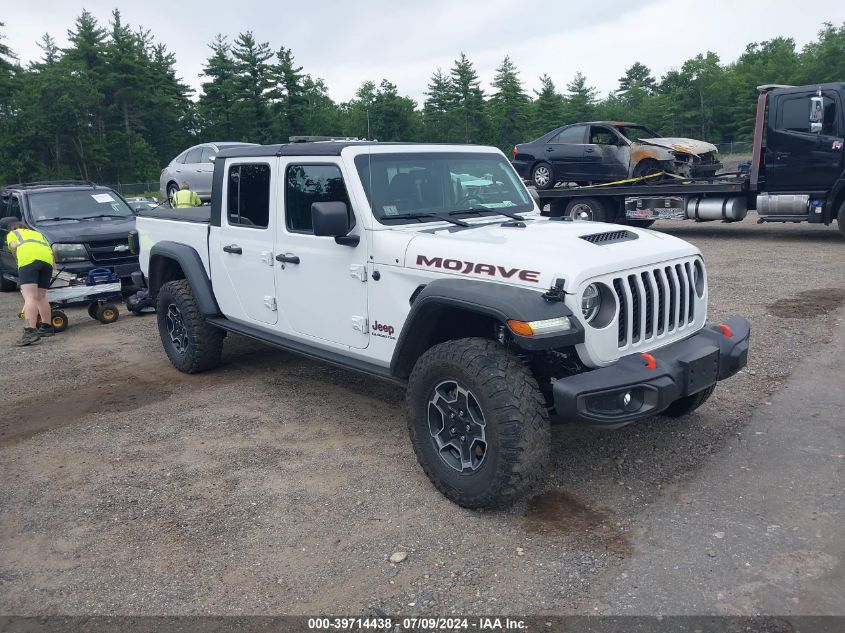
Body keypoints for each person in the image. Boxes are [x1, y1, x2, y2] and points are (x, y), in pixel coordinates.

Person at [1, 217, 56, 346]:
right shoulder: (37, 234)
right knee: (41, 296)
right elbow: (52, 251)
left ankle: (30, 331)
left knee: (29, 297)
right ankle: (47, 327)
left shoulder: (12, 234)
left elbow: (14, 245)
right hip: (47, 262)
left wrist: (17, 257)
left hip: (29, 261)